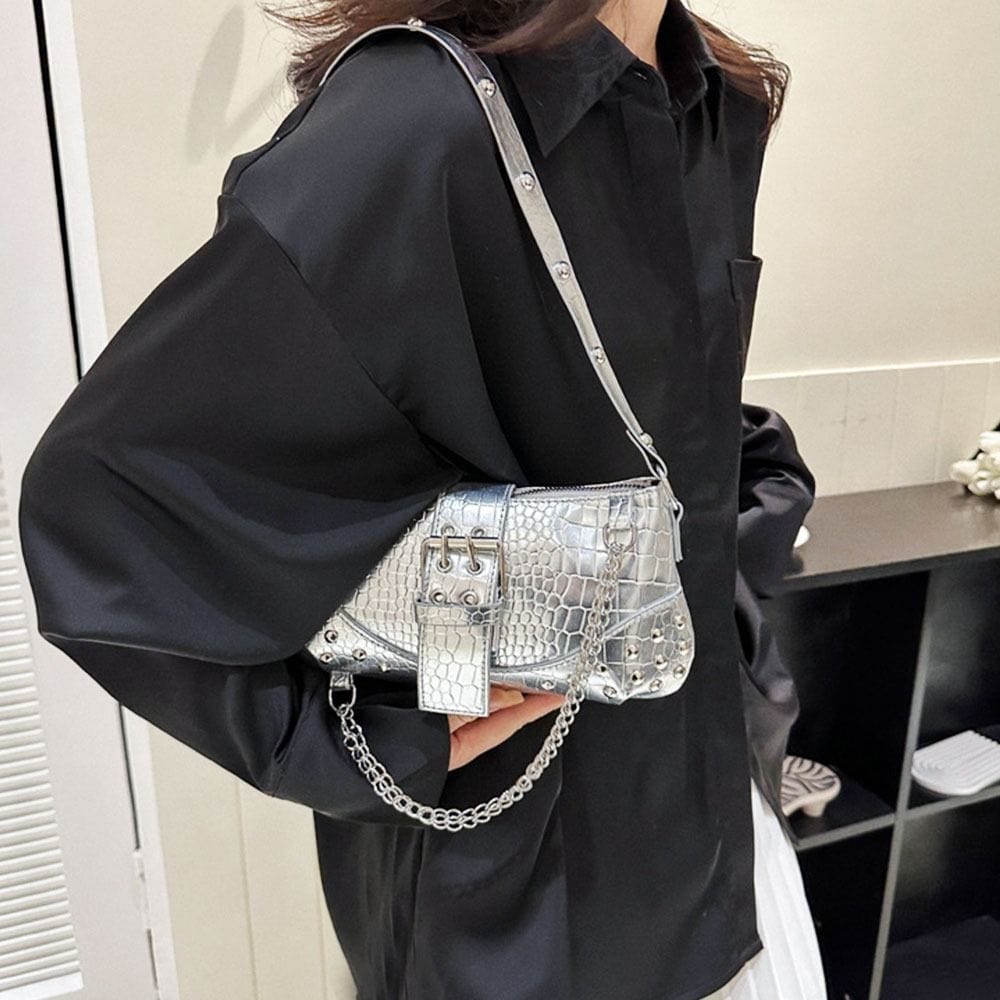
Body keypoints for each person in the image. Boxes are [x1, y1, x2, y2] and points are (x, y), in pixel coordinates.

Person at [17, 0, 828, 995]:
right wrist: (343, 742)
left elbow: (661, 418)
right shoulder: (413, 122)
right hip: (522, 885)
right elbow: (101, 506)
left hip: (717, 825)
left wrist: (727, 570)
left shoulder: (719, 103)